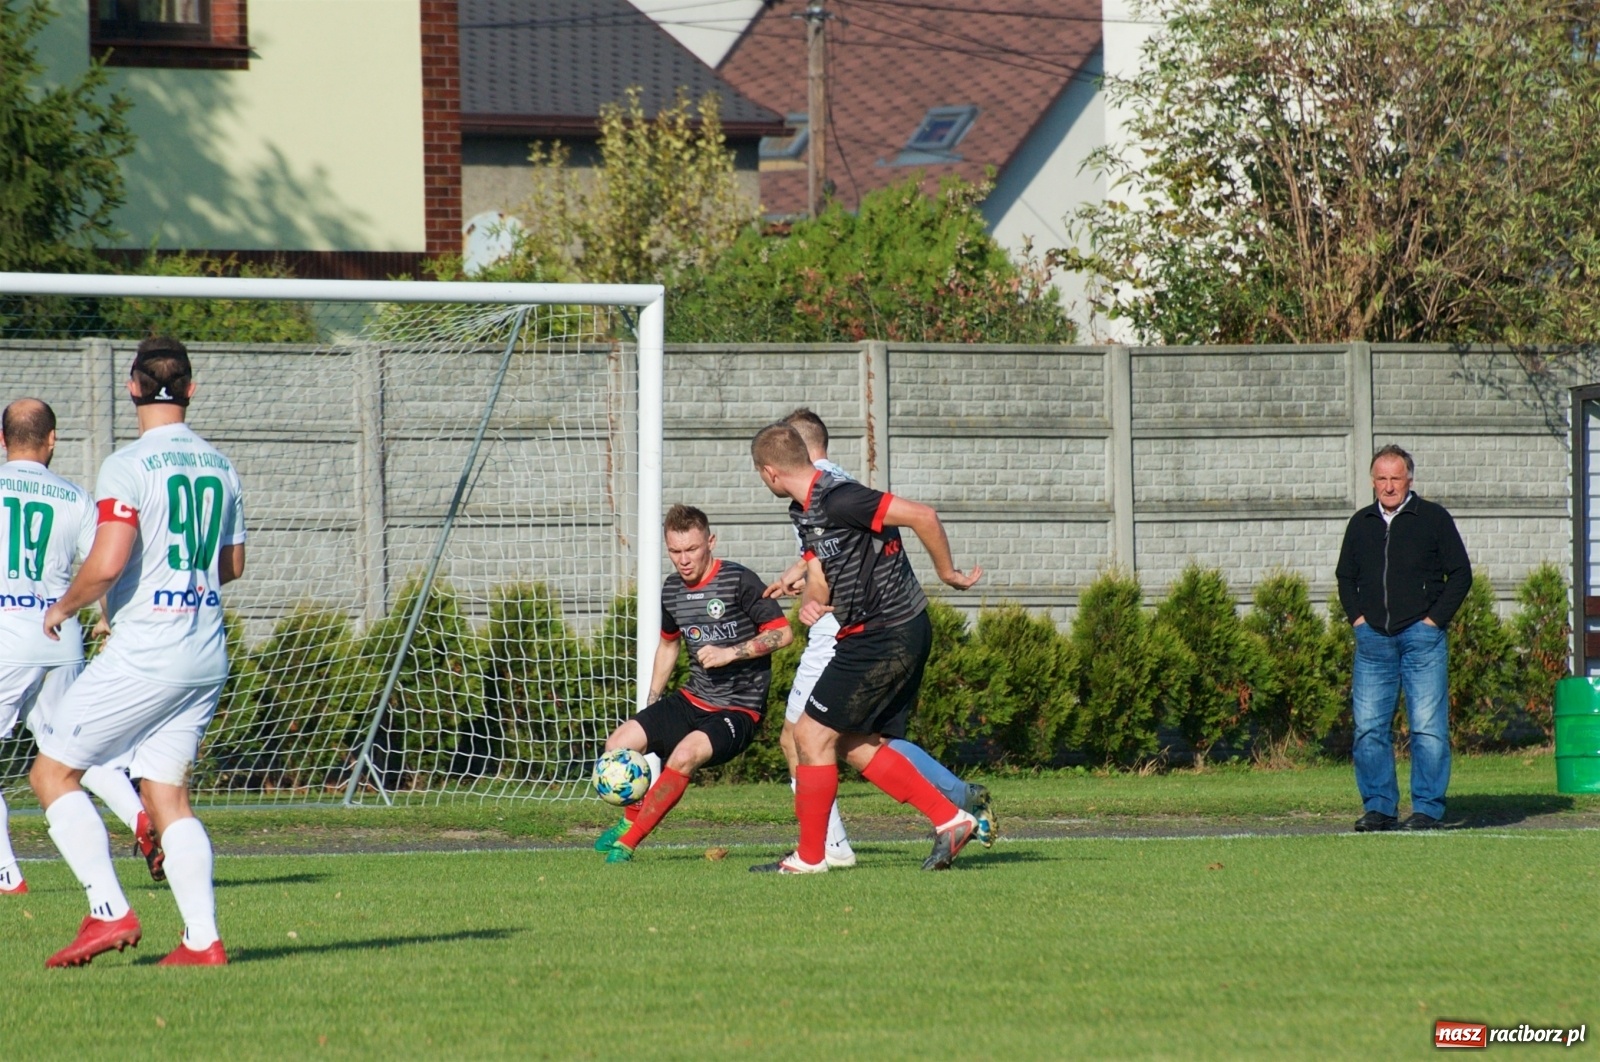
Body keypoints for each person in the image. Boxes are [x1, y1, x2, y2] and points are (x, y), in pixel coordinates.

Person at [31, 337, 246, 967]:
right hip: (205, 650)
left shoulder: (126, 465)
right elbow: (231, 565)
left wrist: (65, 607)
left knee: (51, 773)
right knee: (165, 795)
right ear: (190, 389)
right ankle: (202, 942)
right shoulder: (221, 466)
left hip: (149, 652)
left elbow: (107, 561)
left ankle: (109, 911)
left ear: (131, 388)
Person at [763, 408, 996, 867]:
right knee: (846, 742)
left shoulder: (841, 498)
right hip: (864, 633)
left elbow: (922, 515)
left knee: (808, 735)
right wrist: (813, 599)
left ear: (770, 472)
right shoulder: (803, 511)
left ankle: (814, 857)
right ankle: (950, 819)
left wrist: (947, 573)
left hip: (888, 630)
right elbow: (819, 573)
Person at [0, 399, 163, 896]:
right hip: (60, 635)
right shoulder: (76, 497)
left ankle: (7, 876)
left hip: (5, 636)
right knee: (73, 750)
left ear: (2, 441)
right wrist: (111, 624)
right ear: (52, 440)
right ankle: (141, 816)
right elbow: (104, 569)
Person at [595, 504, 793, 863]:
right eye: (675, 551)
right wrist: (652, 703)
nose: (683, 560)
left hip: (738, 709)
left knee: (684, 754)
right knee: (619, 743)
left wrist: (731, 652)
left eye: (691, 550)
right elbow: (669, 645)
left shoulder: (739, 580)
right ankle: (630, 821)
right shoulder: (672, 590)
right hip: (693, 698)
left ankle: (629, 843)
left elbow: (782, 633)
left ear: (710, 542)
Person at [1335, 444, 1470, 833]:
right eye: (1382, 478)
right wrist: (1358, 620)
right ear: (1372, 481)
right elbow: (1346, 577)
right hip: (1373, 641)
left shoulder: (1433, 519)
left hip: (1421, 639)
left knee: (1427, 727)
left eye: (1396, 478)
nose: (1389, 486)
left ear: (1409, 479)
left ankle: (1426, 808)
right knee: (1368, 727)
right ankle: (1379, 807)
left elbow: (1460, 574)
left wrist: (1433, 621)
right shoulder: (1361, 523)